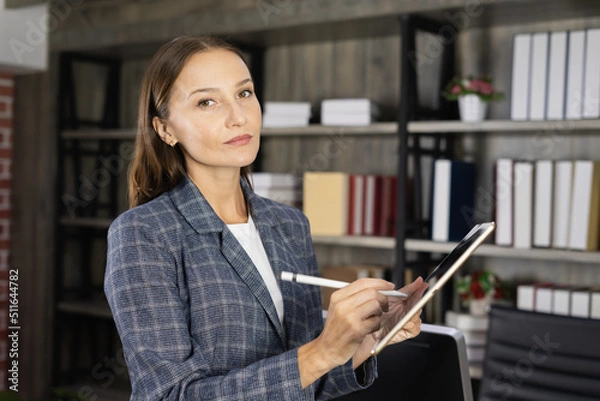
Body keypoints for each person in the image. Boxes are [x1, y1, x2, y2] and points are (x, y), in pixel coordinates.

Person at [104, 35, 428, 401]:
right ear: (165, 129)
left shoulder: (290, 225)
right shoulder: (144, 234)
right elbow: (168, 395)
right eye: (207, 102)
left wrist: (364, 341)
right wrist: (321, 351)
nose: (238, 117)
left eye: (244, 93)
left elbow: (307, 382)